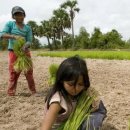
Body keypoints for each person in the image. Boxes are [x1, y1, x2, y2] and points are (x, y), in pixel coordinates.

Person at [41, 56, 107, 130]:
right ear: (61, 80)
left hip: (73, 121)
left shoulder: (82, 91)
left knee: (99, 106)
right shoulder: (57, 102)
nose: (76, 89)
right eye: (71, 84)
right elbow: (45, 128)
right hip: (63, 127)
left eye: (81, 84)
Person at [0, 6, 36, 96]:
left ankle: (33, 91)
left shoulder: (27, 28)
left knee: (29, 71)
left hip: (25, 51)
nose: (19, 16)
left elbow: (30, 40)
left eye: (21, 14)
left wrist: (25, 45)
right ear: (13, 16)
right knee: (13, 72)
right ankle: (11, 92)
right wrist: (14, 36)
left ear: (24, 15)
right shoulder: (10, 24)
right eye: (17, 14)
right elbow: (2, 34)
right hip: (13, 51)